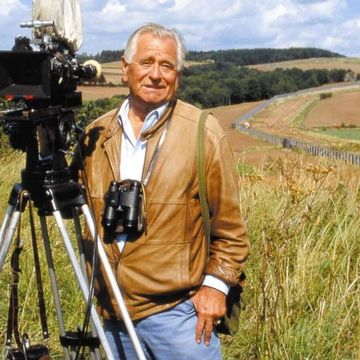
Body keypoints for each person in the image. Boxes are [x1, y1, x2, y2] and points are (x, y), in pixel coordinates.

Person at [74, 23, 249, 359]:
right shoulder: (95, 135)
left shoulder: (202, 133)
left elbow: (231, 230)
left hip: (178, 317)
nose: (156, 74)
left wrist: (216, 287)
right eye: (146, 62)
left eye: (166, 65)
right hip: (109, 314)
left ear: (178, 75)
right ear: (125, 69)